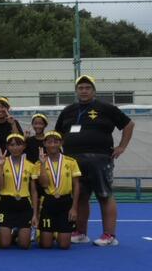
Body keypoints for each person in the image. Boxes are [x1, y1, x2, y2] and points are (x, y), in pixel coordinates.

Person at [54, 75, 134, 246]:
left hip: (100, 159)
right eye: (80, 88)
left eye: (87, 88)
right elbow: (58, 133)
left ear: (94, 91)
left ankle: (109, 236)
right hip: (73, 161)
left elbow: (129, 124)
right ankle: (81, 233)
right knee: (80, 197)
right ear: (76, 91)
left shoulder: (106, 108)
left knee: (104, 195)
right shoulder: (68, 110)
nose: (84, 91)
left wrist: (122, 146)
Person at [35, 131, 80, 250]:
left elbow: (76, 185)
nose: (53, 145)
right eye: (49, 142)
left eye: (56, 142)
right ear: (44, 144)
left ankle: (56, 233)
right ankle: (43, 233)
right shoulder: (39, 163)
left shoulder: (71, 162)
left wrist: (74, 208)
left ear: (61, 143)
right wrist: (43, 164)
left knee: (64, 246)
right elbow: (44, 184)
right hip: (48, 202)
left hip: (65, 202)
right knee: (46, 245)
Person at [0, 134, 38, 250]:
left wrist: (35, 214)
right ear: (7, 147)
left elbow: (33, 191)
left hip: (24, 204)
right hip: (6, 204)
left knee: (24, 245)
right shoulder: (0, 163)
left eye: (19, 144)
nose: (15, 148)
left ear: (24, 146)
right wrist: (0, 167)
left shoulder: (30, 165)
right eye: (12, 145)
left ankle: (16, 234)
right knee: (4, 245)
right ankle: (0, 235)